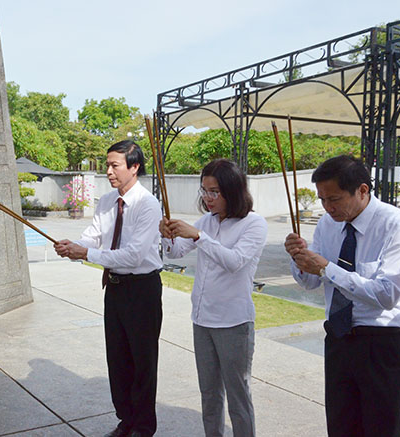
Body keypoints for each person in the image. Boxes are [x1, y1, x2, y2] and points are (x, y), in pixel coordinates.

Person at [284, 155, 400, 437]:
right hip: (339, 338)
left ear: (362, 190)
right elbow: (311, 283)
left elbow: (387, 294)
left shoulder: (396, 225)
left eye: (335, 199)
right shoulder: (328, 224)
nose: (328, 208)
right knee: (341, 426)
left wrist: (328, 268)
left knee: (381, 427)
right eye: (322, 200)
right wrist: (299, 259)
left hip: (382, 341)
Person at [54, 140, 163, 437]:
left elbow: (133, 255)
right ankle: (125, 420)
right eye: (107, 165)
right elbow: (93, 237)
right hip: (114, 288)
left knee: (142, 360)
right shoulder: (106, 202)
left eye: (115, 165)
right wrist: (73, 245)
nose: (109, 172)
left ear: (134, 167)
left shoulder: (147, 205)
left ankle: (142, 426)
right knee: (117, 359)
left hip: (142, 289)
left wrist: (85, 254)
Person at [159, 159, 266, 437]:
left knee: (238, 395)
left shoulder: (253, 224)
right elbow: (174, 253)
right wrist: (167, 236)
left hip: (233, 321)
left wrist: (198, 236)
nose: (207, 198)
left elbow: (234, 261)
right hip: (202, 318)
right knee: (209, 393)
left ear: (233, 191)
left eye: (214, 192)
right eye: (204, 191)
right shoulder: (205, 222)